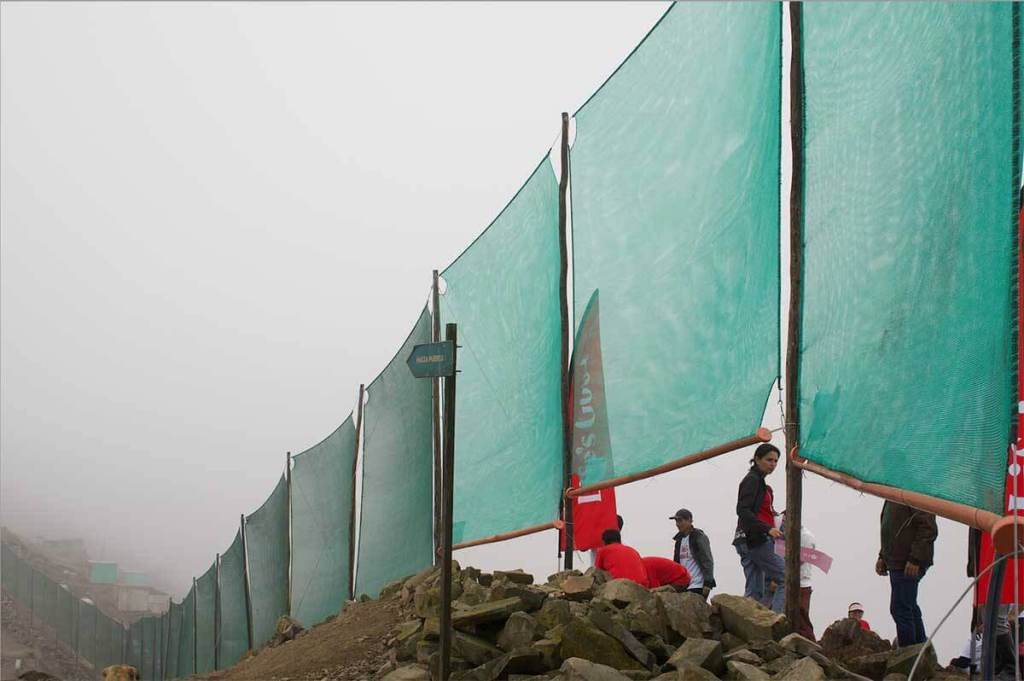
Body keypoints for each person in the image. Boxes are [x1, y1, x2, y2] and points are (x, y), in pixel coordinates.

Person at [876, 500, 937, 647]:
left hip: (907, 561)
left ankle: (908, 651)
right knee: (908, 605)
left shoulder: (914, 492)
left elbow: (928, 527)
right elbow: (890, 528)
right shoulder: (892, 495)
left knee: (900, 607)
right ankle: (919, 649)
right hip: (897, 560)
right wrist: (883, 556)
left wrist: (915, 558)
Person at [733, 443, 786, 613]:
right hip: (756, 539)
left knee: (755, 589)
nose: (773, 464)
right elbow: (742, 510)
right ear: (757, 459)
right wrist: (767, 528)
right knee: (786, 578)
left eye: (776, 461)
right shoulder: (753, 480)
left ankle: (747, 622)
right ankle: (777, 621)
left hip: (746, 538)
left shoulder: (759, 481)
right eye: (769, 460)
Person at [670, 508, 715, 599]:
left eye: (680, 520)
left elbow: (707, 560)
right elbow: (676, 564)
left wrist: (708, 583)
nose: (677, 524)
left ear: (689, 520)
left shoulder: (698, 537)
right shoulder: (679, 540)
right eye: (676, 521)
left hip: (697, 585)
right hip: (683, 586)